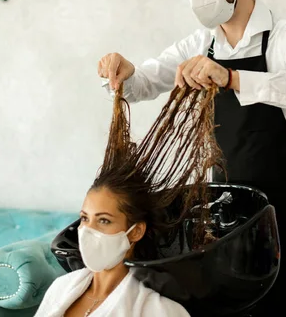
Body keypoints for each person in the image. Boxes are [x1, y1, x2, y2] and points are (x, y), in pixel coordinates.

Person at [97, 0, 286, 316]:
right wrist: (122, 71)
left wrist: (232, 77)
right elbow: (142, 83)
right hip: (224, 224)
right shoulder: (199, 44)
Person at [37, 86, 221, 317]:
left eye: (104, 221)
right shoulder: (60, 289)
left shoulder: (159, 310)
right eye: (85, 218)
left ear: (135, 232)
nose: (87, 231)